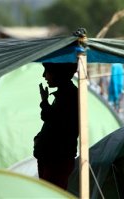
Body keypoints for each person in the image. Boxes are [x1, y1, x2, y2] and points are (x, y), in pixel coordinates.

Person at [33, 62, 79, 190]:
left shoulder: (69, 96)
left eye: (46, 71)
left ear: (57, 73)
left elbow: (57, 123)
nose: (44, 76)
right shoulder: (65, 94)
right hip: (52, 159)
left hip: (56, 161)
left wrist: (44, 102)